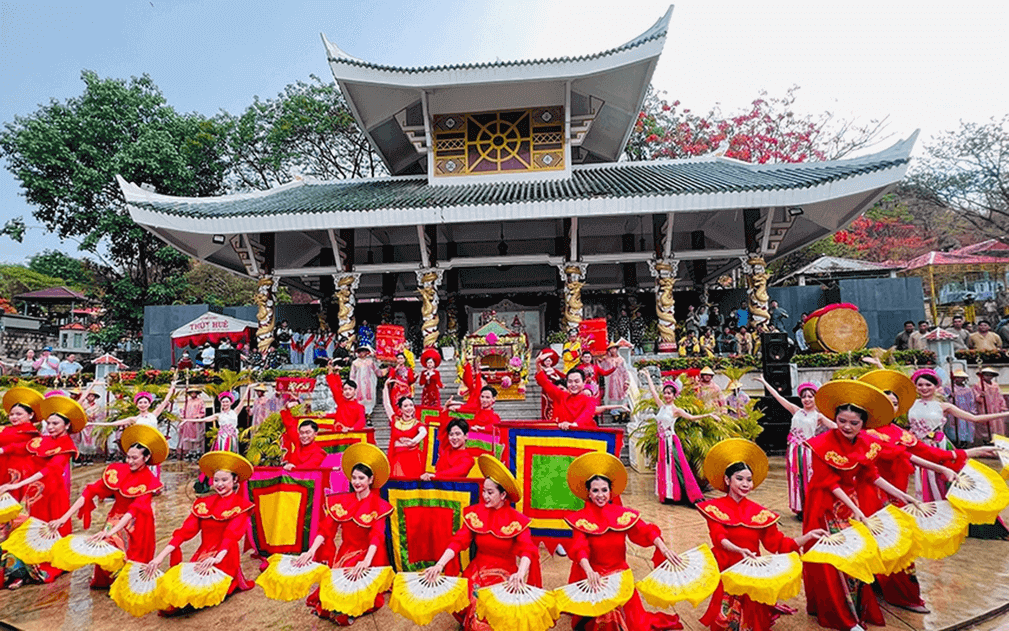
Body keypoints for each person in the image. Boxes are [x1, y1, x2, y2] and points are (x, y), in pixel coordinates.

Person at [857, 369, 999, 612]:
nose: (890, 408)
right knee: (875, 539)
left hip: (897, 494)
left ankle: (902, 593)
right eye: (884, 403)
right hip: (868, 495)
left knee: (898, 543)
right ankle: (875, 585)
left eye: (894, 404)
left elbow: (929, 453)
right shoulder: (862, 432)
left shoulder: (901, 434)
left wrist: (971, 452)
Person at [803, 381, 926, 631]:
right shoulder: (822, 443)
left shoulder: (866, 443)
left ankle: (858, 611)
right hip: (825, 506)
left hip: (850, 504)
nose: (847, 427)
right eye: (841, 421)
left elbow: (872, 476)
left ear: (863, 423)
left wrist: (904, 495)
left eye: (854, 423)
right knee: (834, 561)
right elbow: (829, 483)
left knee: (856, 556)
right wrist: (856, 509)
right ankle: (841, 616)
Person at [698, 439, 827, 631]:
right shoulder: (715, 509)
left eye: (749, 480)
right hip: (728, 568)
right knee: (725, 623)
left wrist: (808, 536)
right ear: (727, 480)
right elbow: (719, 538)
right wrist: (739, 550)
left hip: (752, 569)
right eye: (739, 479)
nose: (745, 484)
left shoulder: (760, 513)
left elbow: (779, 544)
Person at [564, 452, 684, 631]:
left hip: (620, 574)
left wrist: (664, 549)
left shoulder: (622, 515)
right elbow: (580, 548)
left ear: (610, 492)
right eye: (595, 490)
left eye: (604, 490)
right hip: (595, 575)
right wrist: (589, 571)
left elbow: (645, 531)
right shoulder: (581, 519)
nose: (600, 495)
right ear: (588, 493)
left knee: (636, 625)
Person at [423, 455, 541, 630]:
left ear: (503, 495)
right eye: (484, 491)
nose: (485, 496)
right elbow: (458, 541)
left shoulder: (517, 520)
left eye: (490, 492)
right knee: (474, 599)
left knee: (498, 607)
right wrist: (439, 565)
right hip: (477, 570)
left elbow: (527, 550)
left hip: (506, 573)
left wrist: (520, 573)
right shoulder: (476, 514)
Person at [50, 425, 166, 588]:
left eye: (135, 458)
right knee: (106, 546)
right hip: (115, 517)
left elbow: (134, 510)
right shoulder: (118, 471)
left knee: (119, 548)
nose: (130, 461)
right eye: (128, 457)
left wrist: (111, 531)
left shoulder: (148, 481)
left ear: (146, 458)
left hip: (137, 522)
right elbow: (90, 492)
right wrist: (64, 518)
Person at [293, 443, 392, 624]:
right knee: (332, 591)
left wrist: (367, 561)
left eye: (361, 478)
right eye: (354, 477)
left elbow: (377, 536)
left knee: (352, 587)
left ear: (371, 480)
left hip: (370, 554)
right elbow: (326, 528)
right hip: (346, 551)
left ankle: (350, 610)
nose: (357, 482)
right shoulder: (342, 502)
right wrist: (311, 551)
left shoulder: (378, 506)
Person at [146, 452, 255, 612]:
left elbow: (231, 536)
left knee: (195, 596)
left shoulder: (240, 506)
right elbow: (183, 533)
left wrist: (217, 558)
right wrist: (159, 557)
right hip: (202, 556)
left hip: (224, 558)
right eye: (216, 480)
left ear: (235, 480)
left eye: (224, 480)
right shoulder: (203, 503)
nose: (219, 484)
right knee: (174, 594)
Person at [0, 394, 86, 587]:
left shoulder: (67, 446)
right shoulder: (43, 440)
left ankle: (38, 569)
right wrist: (4, 452)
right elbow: (22, 448)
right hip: (33, 493)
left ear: (67, 425)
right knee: (26, 529)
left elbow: (50, 470)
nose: (51, 427)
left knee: (43, 531)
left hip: (51, 494)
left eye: (56, 423)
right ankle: (19, 572)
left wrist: (17, 485)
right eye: (49, 423)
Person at [908, 368, 1009, 504]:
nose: (924, 388)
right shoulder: (910, 403)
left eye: (928, 385)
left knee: (942, 479)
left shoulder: (944, 406)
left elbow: (975, 418)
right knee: (923, 478)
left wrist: (1005, 414)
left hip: (939, 446)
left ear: (936, 386)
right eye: (920, 385)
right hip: (918, 446)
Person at [755, 378, 834, 515]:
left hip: (808, 451)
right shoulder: (796, 410)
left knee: (808, 478)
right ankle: (800, 508)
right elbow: (778, 397)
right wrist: (764, 382)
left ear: (815, 398)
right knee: (795, 479)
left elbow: (836, 427)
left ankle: (811, 508)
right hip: (793, 450)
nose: (806, 399)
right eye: (804, 397)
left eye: (810, 396)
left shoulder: (819, 416)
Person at [640, 371, 712, 505]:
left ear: (674, 395)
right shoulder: (661, 406)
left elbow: (692, 418)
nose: (666, 395)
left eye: (669, 393)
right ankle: (668, 495)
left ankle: (683, 494)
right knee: (664, 467)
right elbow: (653, 392)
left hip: (671, 441)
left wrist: (709, 415)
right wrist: (648, 377)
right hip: (662, 441)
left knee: (676, 466)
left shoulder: (676, 410)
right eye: (665, 393)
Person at [0, 387, 43, 494]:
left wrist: (3, 449)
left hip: (19, 471)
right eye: (11, 414)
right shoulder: (7, 428)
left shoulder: (32, 432)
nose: (14, 417)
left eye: (19, 414)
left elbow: (24, 446)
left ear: (31, 415)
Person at [535, 357, 597, 429]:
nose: (573, 385)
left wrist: (573, 424)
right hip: (563, 434)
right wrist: (537, 364)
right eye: (570, 381)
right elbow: (545, 383)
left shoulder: (590, 400)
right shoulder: (562, 396)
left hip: (583, 434)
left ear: (583, 383)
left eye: (577, 381)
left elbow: (586, 415)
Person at [383, 379, 427, 478]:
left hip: (412, 458)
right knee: (398, 481)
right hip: (397, 458)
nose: (409, 408)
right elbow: (387, 404)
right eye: (406, 406)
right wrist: (385, 387)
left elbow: (423, 432)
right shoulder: (395, 420)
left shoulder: (417, 423)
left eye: (411, 405)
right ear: (401, 409)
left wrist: (414, 441)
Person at [181, 390, 246, 453]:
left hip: (232, 437)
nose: (225, 404)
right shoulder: (218, 415)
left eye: (227, 402)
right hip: (222, 438)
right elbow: (203, 419)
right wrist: (187, 420)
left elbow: (243, 401)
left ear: (231, 403)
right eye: (223, 402)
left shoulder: (235, 412)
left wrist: (248, 388)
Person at [279, 398, 326, 470]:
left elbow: (308, 468)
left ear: (315, 434)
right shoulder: (298, 442)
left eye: (307, 432)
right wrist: (287, 409)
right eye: (301, 433)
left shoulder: (319, 453)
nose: (304, 436)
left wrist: (292, 468)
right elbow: (290, 426)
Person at [325, 361, 367, 431]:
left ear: (355, 391)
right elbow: (335, 387)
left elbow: (361, 421)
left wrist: (352, 429)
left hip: (351, 434)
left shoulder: (360, 407)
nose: (347, 392)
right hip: (337, 433)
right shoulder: (341, 401)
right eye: (345, 389)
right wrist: (331, 370)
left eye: (350, 389)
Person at [973, 366, 1007, 439]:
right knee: (986, 425)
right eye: (987, 375)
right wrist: (980, 396)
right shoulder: (978, 385)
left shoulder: (995, 385)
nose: (989, 377)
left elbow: (1000, 396)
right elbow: (975, 397)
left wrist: (1002, 406)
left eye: (990, 375)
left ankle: (996, 439)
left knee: (997, 424)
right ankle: (986, 439)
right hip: (984, 408)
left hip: (996, 408)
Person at [349, 346, 381, 416]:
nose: (363, 353)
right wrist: (351, 385)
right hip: (358, 383)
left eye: (364, 351)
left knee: (370, 397)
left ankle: (369, 414)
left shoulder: (370, 361)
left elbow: (376, 371)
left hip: (369, 383)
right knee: (359, 399)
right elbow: (352, 374)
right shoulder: (355, 362)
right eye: (361, 351)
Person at [177, 387, 206, 461]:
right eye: (192, 392)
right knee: (188, 437)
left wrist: (198, 416)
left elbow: (203, 411)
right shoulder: (187, 401)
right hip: (188, 422)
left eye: (194, 392)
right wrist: (182, 416)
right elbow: (183, 409)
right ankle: (189, 452)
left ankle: (197, 451)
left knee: (197, 437)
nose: (193, 394)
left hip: (196, 422)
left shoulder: (200, 401)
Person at [597, 343, 629, 409]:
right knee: (611, 392)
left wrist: (626, 380)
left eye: (614, 348)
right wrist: (599, 361)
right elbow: (602, 368)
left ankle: (622, 408)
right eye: (611, 349)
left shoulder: (621, 359)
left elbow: (625, 370)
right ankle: (612, 408)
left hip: (620, 378)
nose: (613, 350)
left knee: (621, 392)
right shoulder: (607, 360)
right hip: (610, 378)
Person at [537, 348, 565, 420]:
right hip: (546, 391)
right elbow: (539, 379)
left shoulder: (555, 370)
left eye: (549, 361)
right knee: (546, 406)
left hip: (555, 391)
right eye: (546, 361)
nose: (548, 362)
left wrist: (557, 379)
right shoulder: (542, 371)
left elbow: (563, 377)